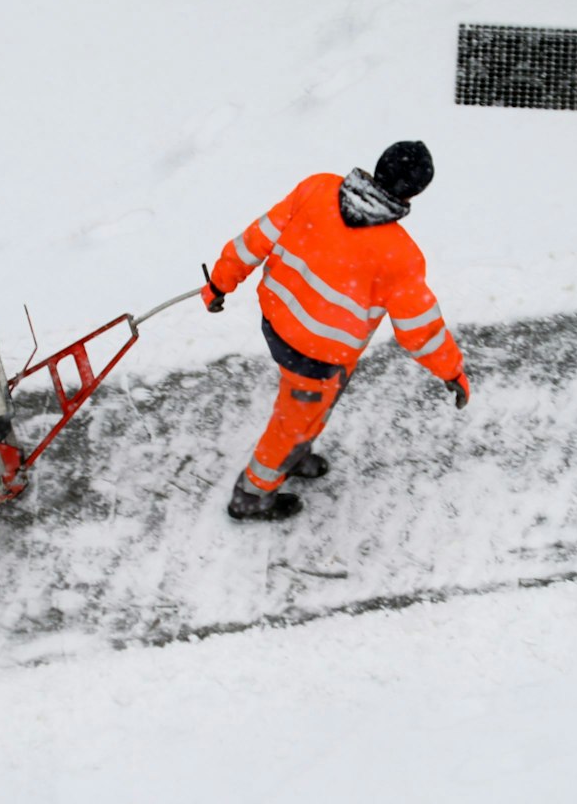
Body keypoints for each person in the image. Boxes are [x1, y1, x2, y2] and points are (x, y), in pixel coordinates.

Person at [201, 140, 471, 521]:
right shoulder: (400, 256)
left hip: (277, 322)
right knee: (292, 422)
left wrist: (220, 283)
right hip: (316, 358)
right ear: (415, 192)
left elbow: (254, 240)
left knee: (314, 406)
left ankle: (295, 455)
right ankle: (251, 495)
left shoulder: (317, 189)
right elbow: (420, 331)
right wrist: (452, 371)